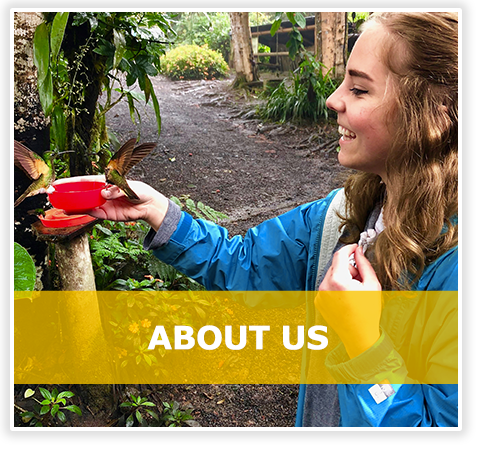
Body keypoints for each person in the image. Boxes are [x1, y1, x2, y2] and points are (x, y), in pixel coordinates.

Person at [58, 12, 458, 426]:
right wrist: (157, 212)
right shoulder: (340, 217)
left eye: (358, 89)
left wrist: (365, 344)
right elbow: (244, 263)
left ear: (435, 114)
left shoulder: (457, 270)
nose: (332, 99)